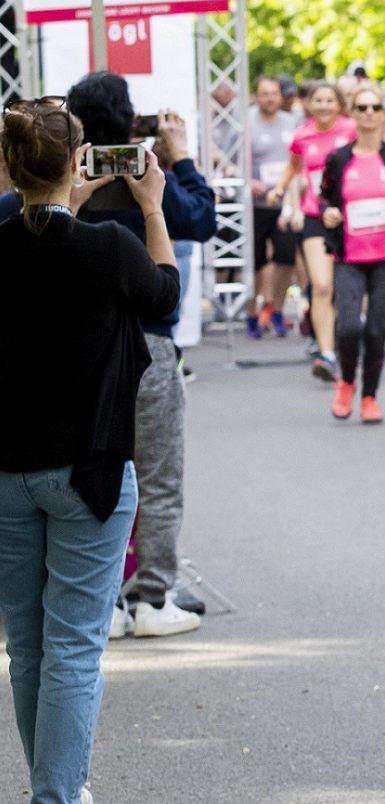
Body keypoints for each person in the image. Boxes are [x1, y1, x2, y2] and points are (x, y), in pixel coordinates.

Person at [0, 99, 180, 804]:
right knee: (73, 647)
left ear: (9, 167)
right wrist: (154, 208)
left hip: (8, 470)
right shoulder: (107, 247)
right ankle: (57, 794)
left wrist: (54, 199)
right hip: (91, 469)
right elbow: (163, 295)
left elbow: (33, 230)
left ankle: (57, 787)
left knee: (28, 645)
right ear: (80, 162)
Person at [57, 75, 214, 639]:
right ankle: (152, 596)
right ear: (132, 122)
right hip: (148, 340)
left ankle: (101, 599)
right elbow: (202, 217)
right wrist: (183, 158)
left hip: (77, 349)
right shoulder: (148, 176)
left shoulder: (65, 178)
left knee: (83, 472)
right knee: (158, 474)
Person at [318, 83, 385, 426]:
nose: (370, 113)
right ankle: (346, 382)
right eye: (362, 108)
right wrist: (329, 213)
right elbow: (325, 198)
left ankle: (370, 396)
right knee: (347, 327)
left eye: (376, 107)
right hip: (349, 254)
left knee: (375, 329)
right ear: (353, 114)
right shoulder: (339, 158)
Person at [268, 82, 356, 380]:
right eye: (318, 100)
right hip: (314, 215)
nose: (324, 106)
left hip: (349, 214)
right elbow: (293, 167)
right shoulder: (303, 134)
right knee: (321, 285)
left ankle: (348, 342)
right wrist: (279, 190)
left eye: (330, 100)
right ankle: (327, 355)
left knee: (348, 287)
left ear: (339, 103)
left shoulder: (351, 129)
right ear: (310, 104)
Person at [247, 74, 297, 338]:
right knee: (255, 261)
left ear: (280, 96)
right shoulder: (246, 122)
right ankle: (252, 311)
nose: (270, 99)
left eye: (274, 94)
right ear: (257, 96)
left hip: (284, 203)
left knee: (286, 256)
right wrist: (248, 181)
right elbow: (231, 159)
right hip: (255, 204)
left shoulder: (292, 122)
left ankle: (276, 309)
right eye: (264, 94)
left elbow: (299, 162)